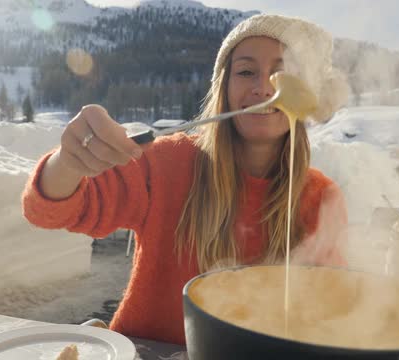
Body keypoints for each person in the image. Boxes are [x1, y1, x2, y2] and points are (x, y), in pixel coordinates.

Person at [22, 14, 350, 345]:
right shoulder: (168, 162)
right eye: (246, 71)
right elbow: (48, 209)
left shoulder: (321, 197)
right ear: (223, 86)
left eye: (284, 74)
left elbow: (329, 310)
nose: (263, 87)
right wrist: (69, 161)